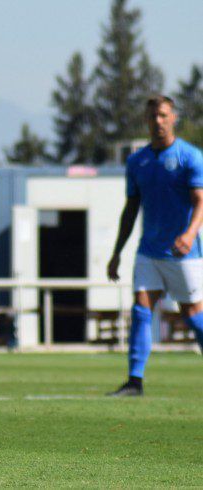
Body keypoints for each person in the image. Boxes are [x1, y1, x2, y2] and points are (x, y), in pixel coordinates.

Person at [107, 95, 203, 396]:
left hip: (183, 254)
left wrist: (189, 235)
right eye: (152, 117)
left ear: (173, 117)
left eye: (163, 115)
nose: (158, 121)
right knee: (140, 310)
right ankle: (135, 381)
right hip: (148, 251)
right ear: (146, 121)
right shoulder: (137, 161)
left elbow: (200, 202)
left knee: (193, 315)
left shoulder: (190, 156)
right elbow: (131, 209)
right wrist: (117, 252)